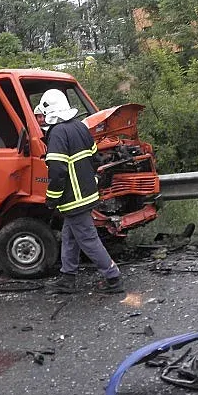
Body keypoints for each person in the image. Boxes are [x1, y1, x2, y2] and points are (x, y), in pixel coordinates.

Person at [35, 89, 123, 294]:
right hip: (87, 194)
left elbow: (57, 170)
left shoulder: (57, 133)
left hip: (74, 199)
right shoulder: (80, 127)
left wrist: (51, 199)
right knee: (70, 237)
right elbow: (95, 159)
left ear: (50, 112)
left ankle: (113, 277)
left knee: (88, 239)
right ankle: (68, 278)